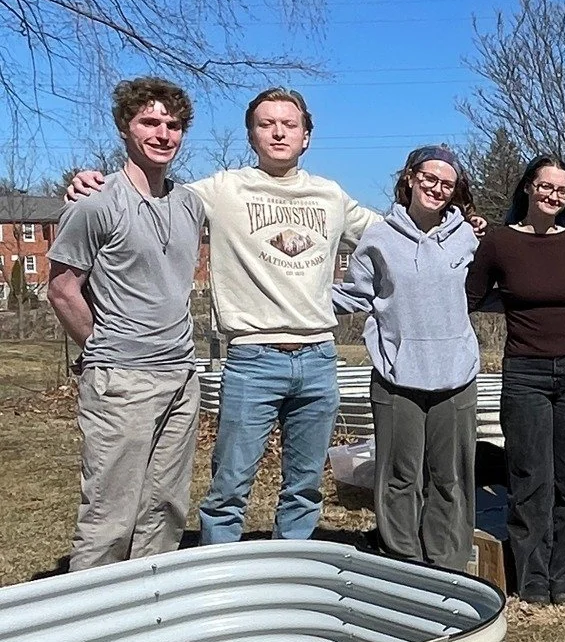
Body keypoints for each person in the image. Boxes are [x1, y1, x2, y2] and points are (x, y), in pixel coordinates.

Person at [67, 87, 381, 542]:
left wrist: (457, 222)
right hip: (253, 361)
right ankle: (220, 581)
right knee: (229, 487)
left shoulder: (330, 196)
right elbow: (146, 193)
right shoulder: (219, 191)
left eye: (289, 124)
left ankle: (288, 574)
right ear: (251, 135)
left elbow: (393, 233)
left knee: (306, 486)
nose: (278, 132)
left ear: (306, 136)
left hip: (318, 358)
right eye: (266, 124)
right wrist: (90, 182)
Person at [47, 77, 207, 569]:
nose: (163, 134)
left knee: (166, 508)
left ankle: (148, 610)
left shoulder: (189, 203)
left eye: (173, 125)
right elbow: (62, 288)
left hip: (181, 377)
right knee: (110, 514)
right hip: (122, 381)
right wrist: (100, 346)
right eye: (150, 122)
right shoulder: (95, 203)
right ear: (125, 127)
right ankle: (91, 619)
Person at [332, 146, 480, 571]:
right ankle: (404, 564)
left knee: (450, 479)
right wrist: (293, 299)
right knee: (399, 477)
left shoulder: (467, 236)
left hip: (456, 376)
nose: (436, 188)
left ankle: (448, 565)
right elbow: (355, 293)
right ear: (411, 178)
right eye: (429, 178)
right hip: (397, 378)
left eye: (447, 183)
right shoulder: (379, 236)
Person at [467, 154, 565, 605]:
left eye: (562, 190)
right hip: (525, 371)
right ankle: (533, 575)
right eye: (545, 187)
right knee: (530, 475)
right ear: (528, 188)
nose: (553, 196)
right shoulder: (500, 243)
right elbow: (471, 295)